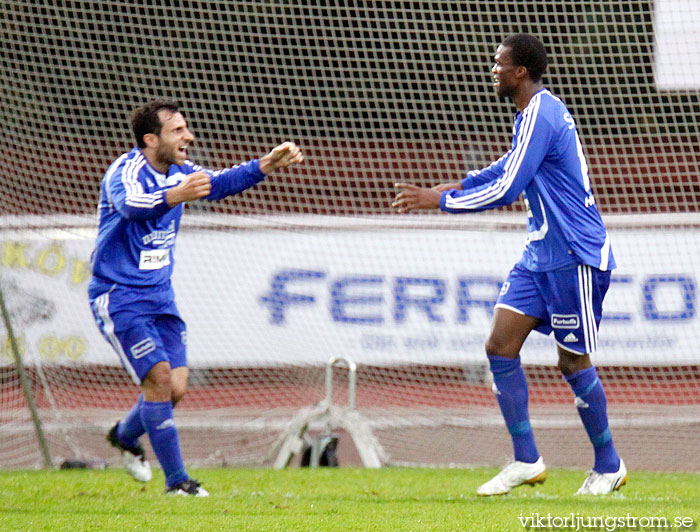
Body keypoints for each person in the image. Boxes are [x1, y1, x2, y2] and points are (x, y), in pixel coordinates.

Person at [392, 34, 625, 496]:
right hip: (540, 254)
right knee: (500, 346)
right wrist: (454, 185)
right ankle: (526, 460)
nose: (492, 69)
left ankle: (609, 464)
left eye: (499, 62)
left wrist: (441, 202)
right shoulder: (528, 117)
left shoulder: (543, 112)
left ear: (520, 71)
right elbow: (503, 168)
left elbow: (505, 189)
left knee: (572, 359)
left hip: (574, 254)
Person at [88, 99, 303, 496]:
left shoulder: (181, 171)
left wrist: (266, 165)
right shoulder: (126, 171)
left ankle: (123, 435)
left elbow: (217, 183)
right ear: (151, 139)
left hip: (159, 294)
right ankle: (178, 483)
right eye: (177, 131)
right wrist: (175, 195)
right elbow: (130, 207)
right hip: (119, 295)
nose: (188, 136)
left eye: (186, 128)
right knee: (159, 380)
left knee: (176, 389)